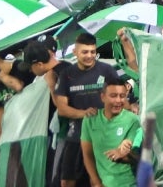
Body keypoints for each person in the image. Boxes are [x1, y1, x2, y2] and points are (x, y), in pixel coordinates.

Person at [51, 31, 125, 187]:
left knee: (98, 181)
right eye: (85, 52)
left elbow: (121, 97)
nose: (90, 55)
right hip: (76, 136)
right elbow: (62, 109)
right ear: (75, 52)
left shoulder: (107, 70)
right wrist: (83, 113)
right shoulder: (67, 75)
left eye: (93, 51)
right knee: (66, 181)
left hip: (103, 137)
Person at [79, 78, 144, 187]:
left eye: (122, 96)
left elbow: (135, 153)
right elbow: (88, 155)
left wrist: (124, 154)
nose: (118, 100)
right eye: (113, 96)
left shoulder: (133, 121)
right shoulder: (90, 120)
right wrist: (96, 182)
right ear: (103, 97)